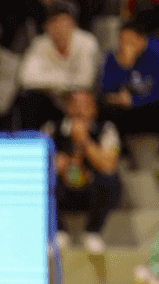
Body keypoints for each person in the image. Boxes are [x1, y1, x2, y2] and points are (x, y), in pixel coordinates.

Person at [44, 89, 122, 254]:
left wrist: (85, 141)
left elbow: (109, 165)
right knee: (40, 182)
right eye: (75, 105)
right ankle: (57, 231)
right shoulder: (51, 128)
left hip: (91, 192)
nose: (80, 110)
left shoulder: (107, 129)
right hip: (62, 192)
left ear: (94, 110)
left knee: (111, 180)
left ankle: (93, 231)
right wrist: (54, 165)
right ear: (67, 107)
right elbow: (35, 164)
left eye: (86, 105)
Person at [17, 0, 100, 129]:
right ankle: (34, 140)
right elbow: (26, 78)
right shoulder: (39, 44)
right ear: (47, 27)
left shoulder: (87, 42)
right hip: (52, 98)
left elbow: (85, 81)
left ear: (73, 25)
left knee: (81, 96)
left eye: (64, 22)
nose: (60, 28)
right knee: (29, 98)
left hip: (79, 96)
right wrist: (66, 80)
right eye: (55, 23)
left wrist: (50, 78)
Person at [100, 17, 159, 148]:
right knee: (103, 106)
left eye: (130, 41)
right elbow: (106, 89)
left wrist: (134, 101)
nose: (125, 45)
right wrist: (124, 67)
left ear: (142, 39)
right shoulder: (114, 56)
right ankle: (119, 150)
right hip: (129, 109)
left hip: (155, 106)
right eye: (122, 40)